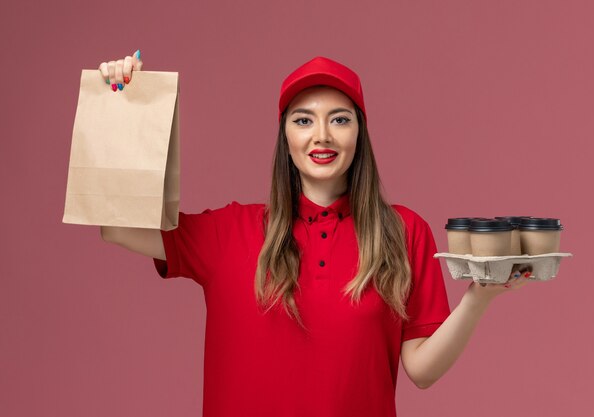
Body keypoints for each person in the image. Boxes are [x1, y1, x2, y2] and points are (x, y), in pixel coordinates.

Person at [100, 50, 530, 417]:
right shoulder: (228, 231)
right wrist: (122, 108)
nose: (321, 136)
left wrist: (479, 296)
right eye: (303, 120)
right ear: (285, 135)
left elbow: (421, 370)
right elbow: (116, 225)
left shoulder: (402, 232)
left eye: (339, 119)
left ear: (359, 133)